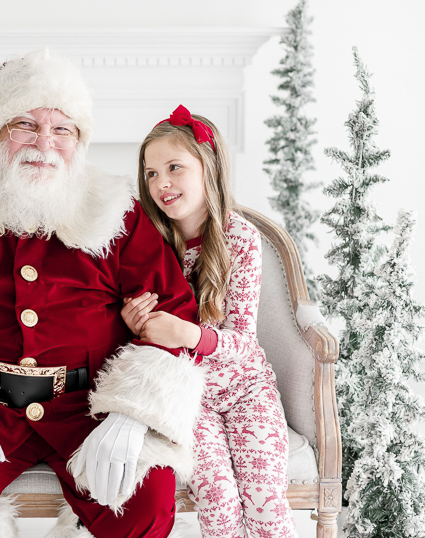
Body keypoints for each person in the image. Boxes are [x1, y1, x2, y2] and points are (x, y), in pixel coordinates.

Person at [0, 50, 209, 538]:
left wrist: (132, 416)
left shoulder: (118, 215)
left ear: (79, 141)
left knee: (145, 505)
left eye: (62, 130)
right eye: (25, 124)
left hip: (89, 406)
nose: (44, 144)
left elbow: (173, 316)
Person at [121, 105, 297, 538]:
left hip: (246, 391)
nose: (161, 183)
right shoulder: (149, 243)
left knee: (266, 507)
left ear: (209, 165)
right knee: (217, 507)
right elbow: (139, 334)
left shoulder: (239, 239)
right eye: (151, 174)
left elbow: (242, 342)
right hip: (187, 401)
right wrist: (130, 321)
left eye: (174, 168)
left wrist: (190, 333)